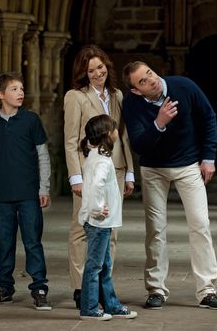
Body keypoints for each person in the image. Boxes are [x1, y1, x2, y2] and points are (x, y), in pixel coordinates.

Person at [121, 61, 217, 310]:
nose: (151, 80)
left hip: (188, 164)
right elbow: (138, 144)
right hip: (153, 169)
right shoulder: (132, 103)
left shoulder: (184, 86)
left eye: (150, 73)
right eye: (143, 81)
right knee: (155, 229)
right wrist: (159, 122)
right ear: (137, 90)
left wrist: (209, 157)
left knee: (200, 224)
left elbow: (208, 117)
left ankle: (207, 290)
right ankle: (156, 289)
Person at [64, 44, 135, 309]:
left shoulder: (117, 95)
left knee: (110, 229)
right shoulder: (75, 96)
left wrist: (129, 170)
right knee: (82, 228)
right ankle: (81, 287)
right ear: (83, 72)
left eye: (100, 67)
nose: (97, 73)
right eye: (91, 70)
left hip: (115, 169)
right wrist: (75, 177)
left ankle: (103, 286)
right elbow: (71, 140)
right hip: (89, 170)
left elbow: (123, 134)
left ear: (107, 65)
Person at [0, 72, 52, 311]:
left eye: (21, 88)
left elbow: (43, 155)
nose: (20, 92)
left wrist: (44, 187)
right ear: (0, 95)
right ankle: (4, 288)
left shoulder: (31, 120)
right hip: (2, 194)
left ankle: (39, 288)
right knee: (5, 243)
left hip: (29, 193)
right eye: (14, 89)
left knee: (33, 242)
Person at [78, 114, 138, 321]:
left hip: (100, 222)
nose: (116, 132)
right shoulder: (102, 161)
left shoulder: (95, 156)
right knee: (95, 266)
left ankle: (111, 304)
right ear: (106, 134)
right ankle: (89, 308)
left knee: (103, 266)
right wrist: (96, 209)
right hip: (98, 222)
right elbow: (95, 187)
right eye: (113, 129)